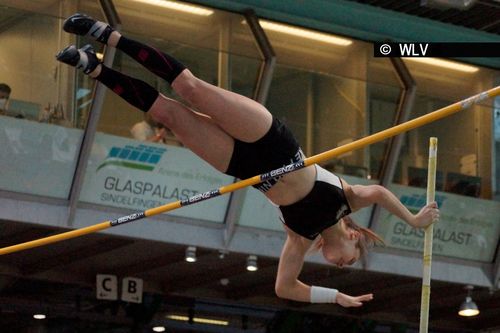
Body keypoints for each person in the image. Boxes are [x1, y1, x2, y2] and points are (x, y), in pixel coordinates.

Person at [56, 13, 439, 308]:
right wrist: (413, 219)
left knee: (169, 114)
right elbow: (378, 191)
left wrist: (333, 295)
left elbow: (284, 287)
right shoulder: (345, 201)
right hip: (272, 141)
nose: (345, 264)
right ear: (354, 237)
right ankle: (106, 33)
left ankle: (94, 67)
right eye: (352, 261)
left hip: (244, 166)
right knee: (189, 88)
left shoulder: (299, 239)